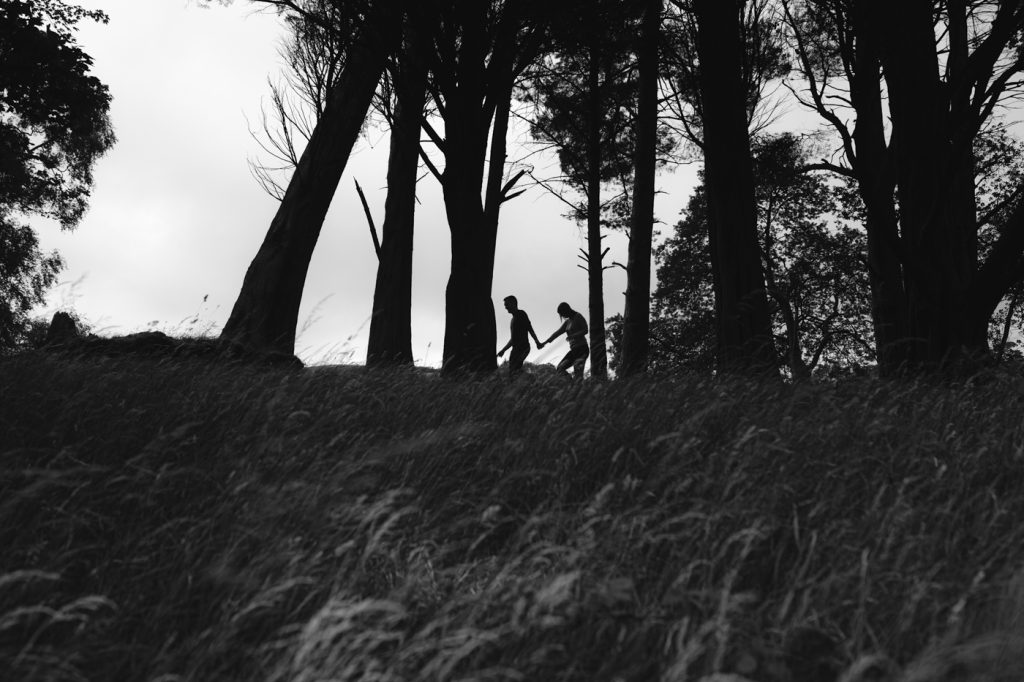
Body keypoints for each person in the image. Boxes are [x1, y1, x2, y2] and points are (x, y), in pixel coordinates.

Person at [539, 302, 589, 378]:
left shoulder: (578, 316)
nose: (562, 316)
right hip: (574, 350)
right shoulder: (567, 322)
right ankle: (572, 385)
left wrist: (573, 335)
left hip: (582, 349)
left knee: (578, 374)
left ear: (567, 310)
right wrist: (545, 342)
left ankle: (578, 386)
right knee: (560, 368)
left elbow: (585, 330)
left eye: (562, 314)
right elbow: (557, 333)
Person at [497, 295, 541, 377]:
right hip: (515, 349)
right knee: (512, 372)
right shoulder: (512, 320)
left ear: (513, 303)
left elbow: (530, 329)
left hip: (523, 347)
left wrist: (537, 342)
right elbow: (513, 339)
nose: (506, 307)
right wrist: (503, 350)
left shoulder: (521, 314)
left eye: (507, 304)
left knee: (515, 370)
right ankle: (526, 382)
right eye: (505, 305)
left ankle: (531, 378)